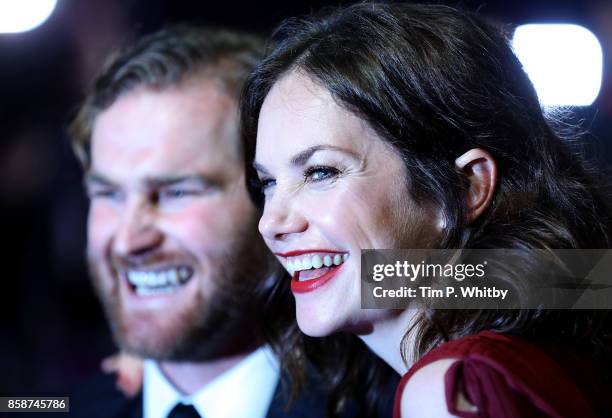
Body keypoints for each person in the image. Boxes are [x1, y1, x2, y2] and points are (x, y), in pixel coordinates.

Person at [241, 3, 612, 417]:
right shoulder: (548, 353)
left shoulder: (451, 390)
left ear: (465, 187)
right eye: (268, 183)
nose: (271, 222)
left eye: (321, 171)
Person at [68, 25, 392, 418]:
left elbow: (486, 276)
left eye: (176, 192)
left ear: (269, 190)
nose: (127, 241)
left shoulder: (416, 396)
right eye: (109, 194)